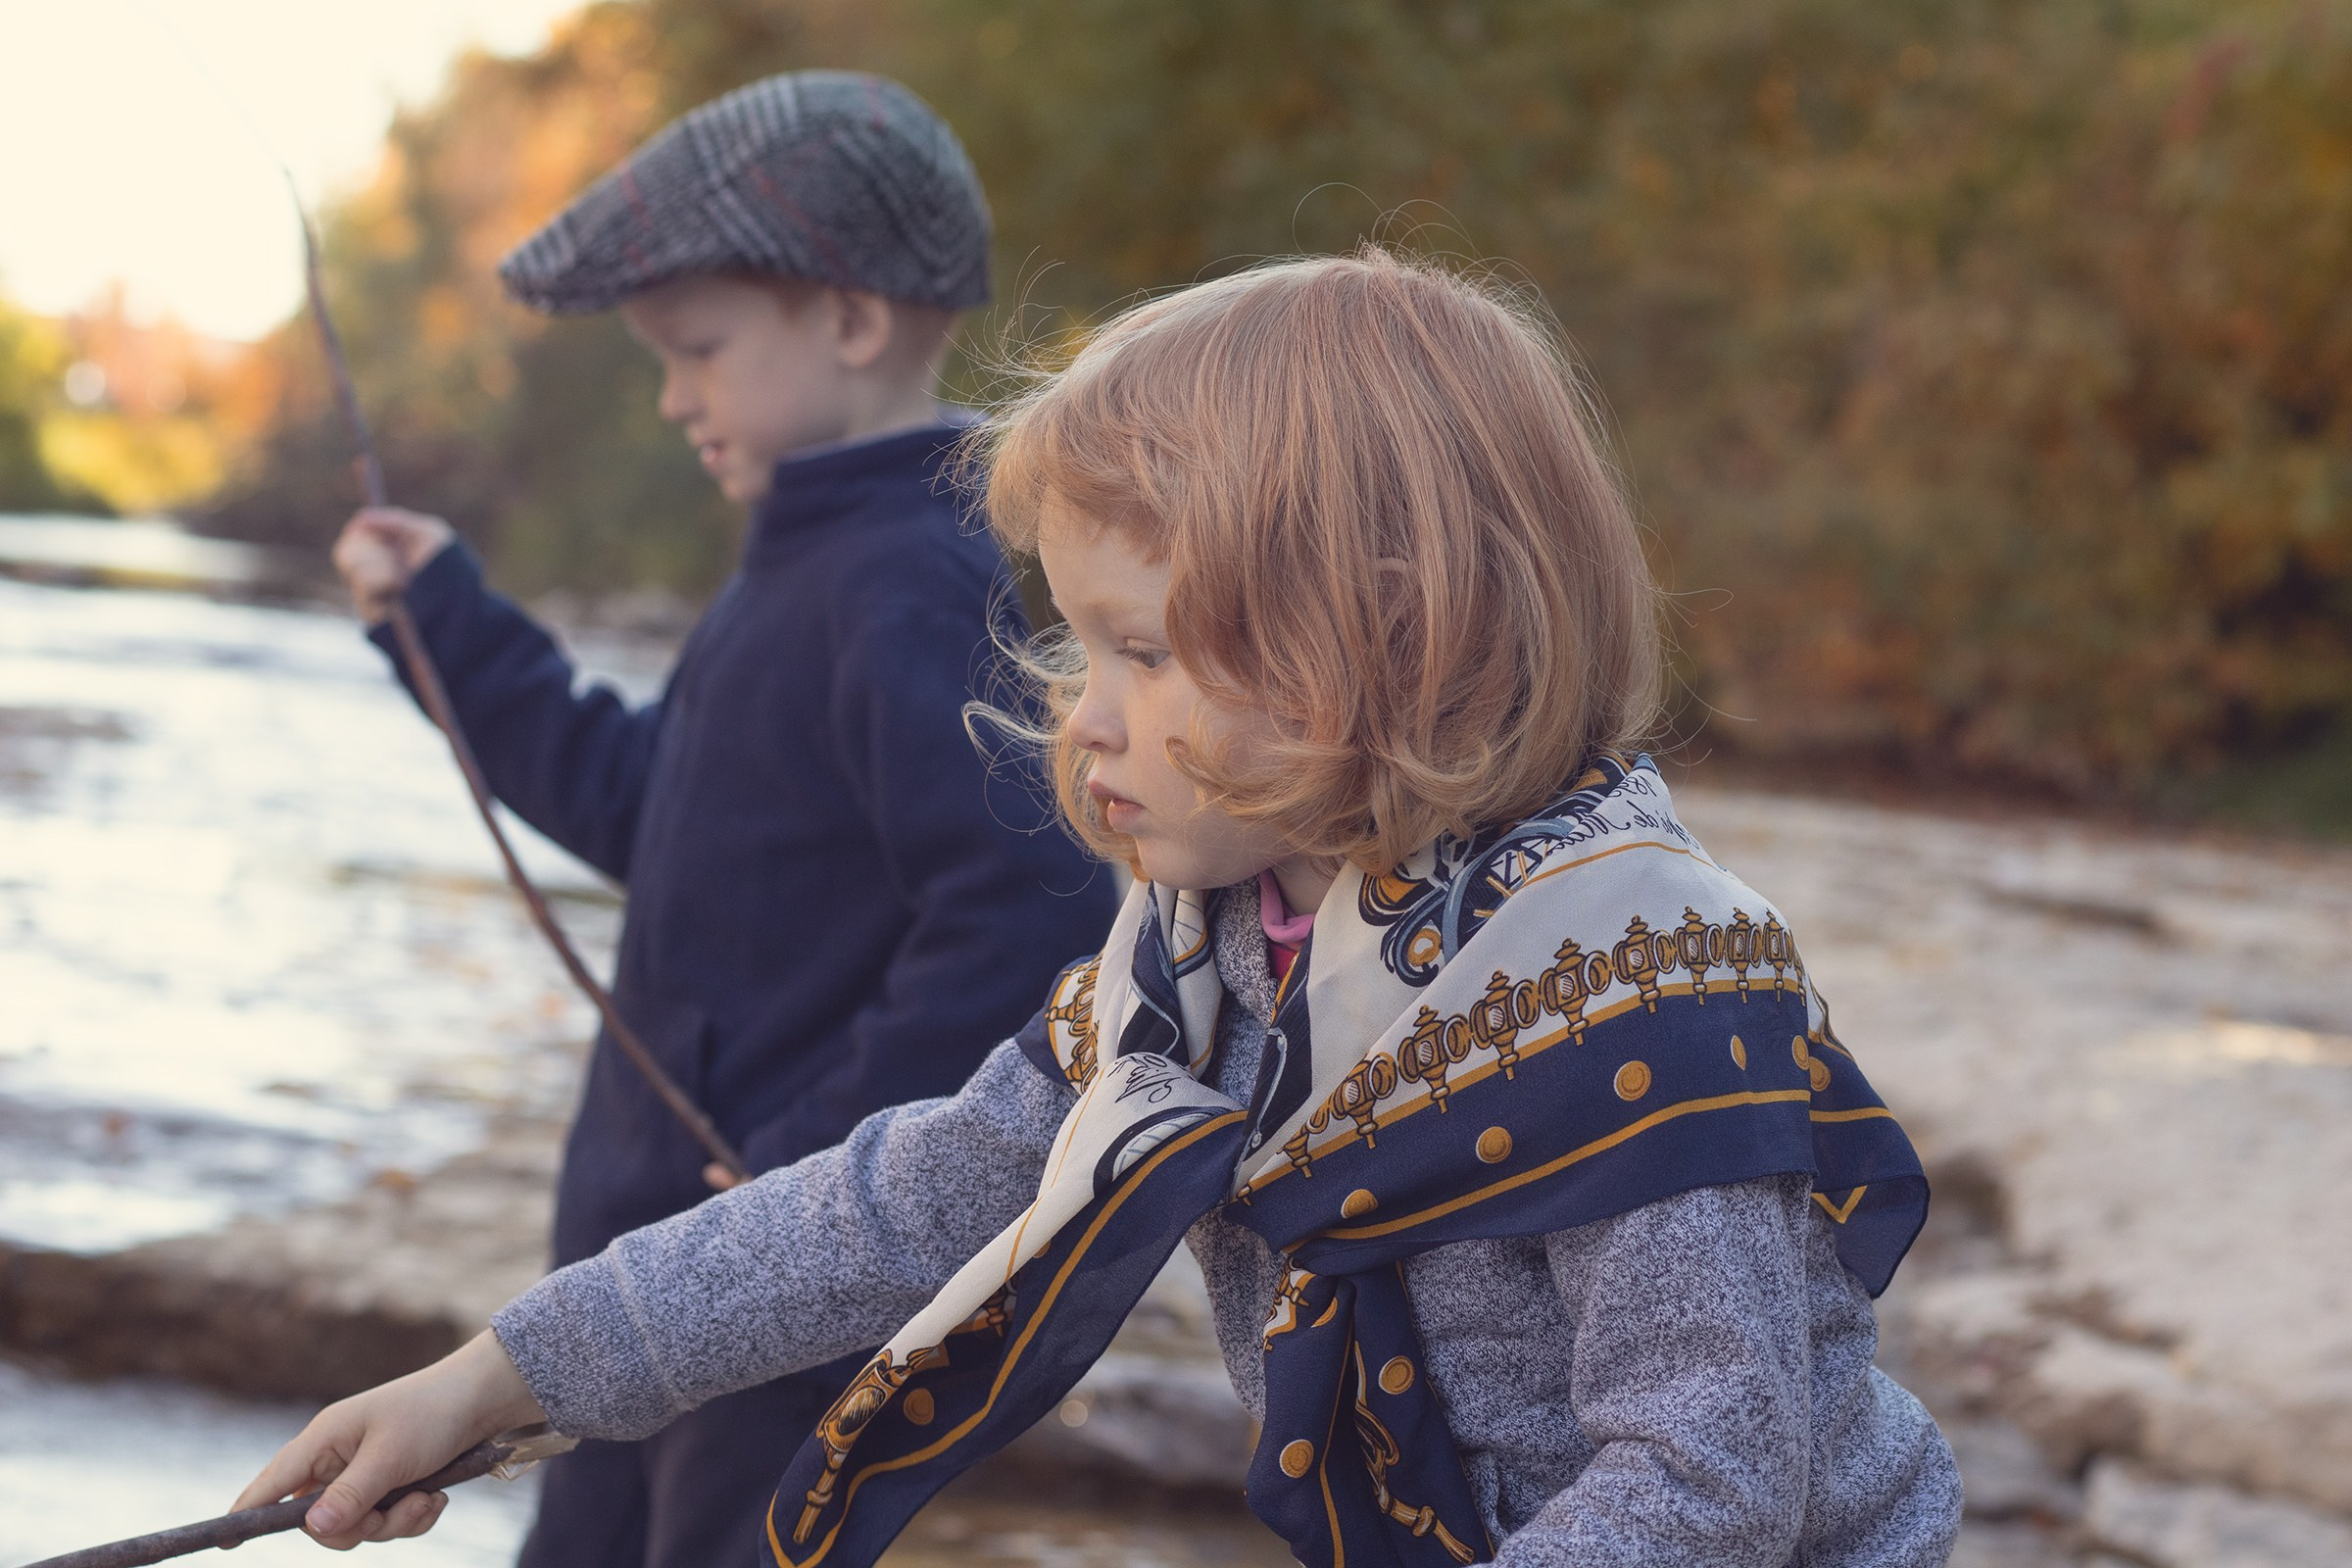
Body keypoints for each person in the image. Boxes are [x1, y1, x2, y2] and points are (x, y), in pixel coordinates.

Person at [249, 249, 1962, 1567]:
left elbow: (1711, 1477)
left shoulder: (1629, 981)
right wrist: (498, 1382)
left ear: (1390, 647)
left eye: (1144, 651)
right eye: (1083, 642)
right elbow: (894, 1206)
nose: (1085, 711)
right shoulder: (1214, 952)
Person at [323, 72, 1118, 1568]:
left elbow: (1032, 908)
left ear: (850, 319)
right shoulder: (804, 560)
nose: (675, 394)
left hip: (777, 1298)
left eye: (697, 350)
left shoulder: (899, 581)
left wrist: (813, 1158)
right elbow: (657, 817)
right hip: (662, 1287)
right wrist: (448, 624)